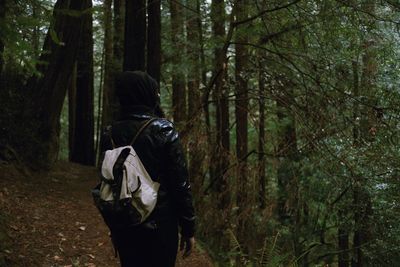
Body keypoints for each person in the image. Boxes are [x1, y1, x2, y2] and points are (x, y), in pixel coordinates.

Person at [99, 71, 196, 267]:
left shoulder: (109, 133)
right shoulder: (163, 129)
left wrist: (114, 227)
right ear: (147, 94)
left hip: (125, 222)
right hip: (160, 226)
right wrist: (188, 227)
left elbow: (109, 182)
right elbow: (180, 184)